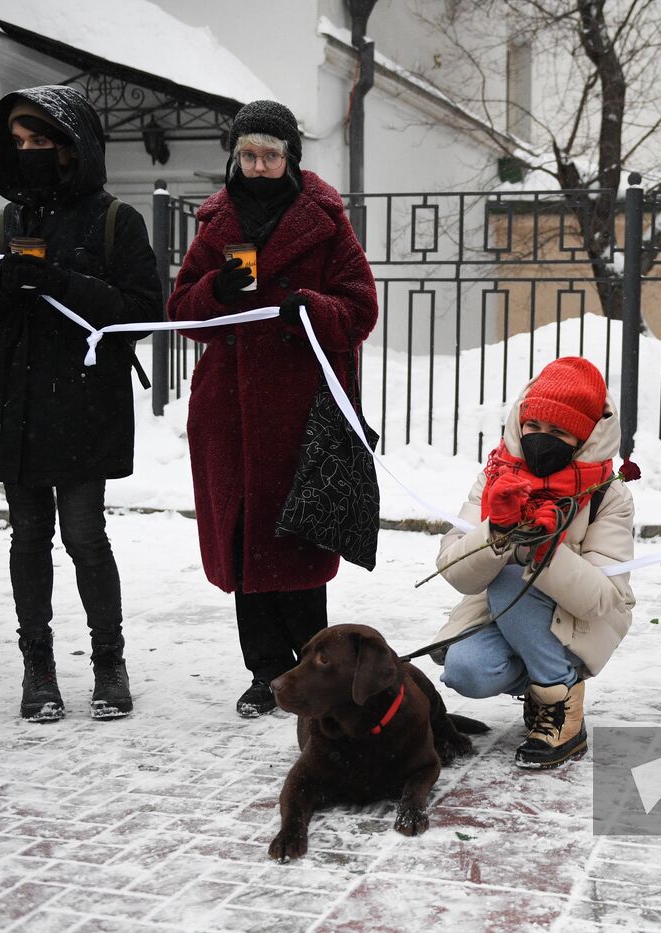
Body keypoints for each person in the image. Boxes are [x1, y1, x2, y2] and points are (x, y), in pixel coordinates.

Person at [166, 100, 378, 718]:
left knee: (300, 542)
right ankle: (264, 673)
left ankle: (314, 670)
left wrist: (310, 306)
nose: (258, 166)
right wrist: (215, 292)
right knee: (245, 548)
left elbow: (359, 307)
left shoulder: (326, 221)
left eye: (270, 155)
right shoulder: (216, 223)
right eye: (248, 155)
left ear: (291, 158)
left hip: (302, 414)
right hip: (229, 417)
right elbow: (182, 312)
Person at [0, 86, 162, 722]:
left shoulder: (115, 221)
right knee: (27, 538)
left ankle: (110, 663)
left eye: (40, 142)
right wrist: (5, 278)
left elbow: (141, 314)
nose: (28, 154)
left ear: (72, 149)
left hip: (82, 406)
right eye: (19, 144)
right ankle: (38, 668)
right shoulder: (8, 220)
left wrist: (58, 281)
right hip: (17, 403)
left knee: (84, 536)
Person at [432, 357, 636, 769]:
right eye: (534, 427)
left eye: (559, 432)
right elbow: (454, 572)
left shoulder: (606, 495)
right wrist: (497, 531)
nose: (542, 439)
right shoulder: (495, 476)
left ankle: (561, 707)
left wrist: (545, 551)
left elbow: (603, 599)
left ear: (582, 438)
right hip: (509, 615)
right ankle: (545, 675)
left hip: (579, 621)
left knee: (511, 578)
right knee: (465, 671)